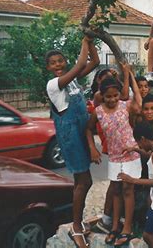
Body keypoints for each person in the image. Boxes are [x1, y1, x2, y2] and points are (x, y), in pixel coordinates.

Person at [45, 36, 100, 248]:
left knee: (84, 181)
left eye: (61, 60)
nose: (58, 64)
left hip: (81, 132)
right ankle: (76, 227)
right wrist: (85, 41)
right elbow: (80, 64)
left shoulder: (74, 80)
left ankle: (78, 222)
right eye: (53, 62)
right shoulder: (53, 85)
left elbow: (93, 62)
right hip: (71, 137)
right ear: (48, 68)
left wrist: (92, 41)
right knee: (84, 181)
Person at [85, 75, 142, 246]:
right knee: (116, 190)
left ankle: (128, 228)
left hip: (132, 154)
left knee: (128, 190)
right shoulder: (98, 112)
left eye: (116, 95)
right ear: (102, 96)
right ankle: (115, 227)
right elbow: (88, 130)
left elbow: (139, 112)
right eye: (108, 96)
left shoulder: (126, 106)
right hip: (114, 157)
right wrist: (92, 148)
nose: (112, 99)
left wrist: (128, 74)